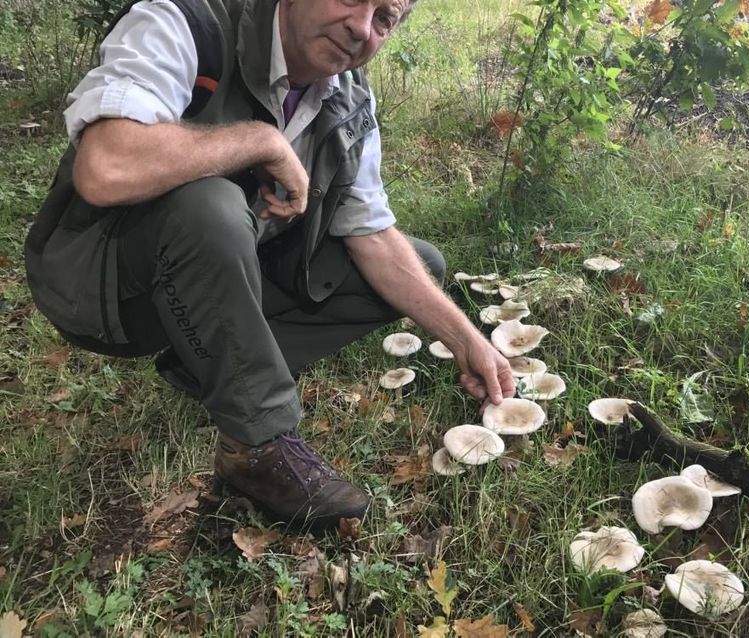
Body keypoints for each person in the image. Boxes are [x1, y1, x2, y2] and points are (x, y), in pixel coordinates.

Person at [23, 0, 515, 528]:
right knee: (207, 207)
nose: (360, 26)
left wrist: (467, 338)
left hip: (219, 274)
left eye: (384, 18)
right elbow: (106, 165)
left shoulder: (348, 98)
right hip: (102, 286)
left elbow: (371, 235)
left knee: (421, 265)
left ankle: (207, 361)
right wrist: (259, 140)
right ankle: (255, 446)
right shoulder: (191, 22)